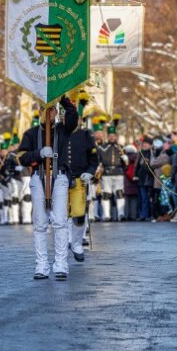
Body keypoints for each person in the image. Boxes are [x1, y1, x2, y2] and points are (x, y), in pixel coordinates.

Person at [18, 96, 78, 281]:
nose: (47, 113)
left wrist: (62, 99)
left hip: (58, 176)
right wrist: (38, 153)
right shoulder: (31, 133)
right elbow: (22, 157)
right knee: (40, 223)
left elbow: (73, 117)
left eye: (51, 110)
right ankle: (42, 264)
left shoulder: (63, 130)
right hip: (38, 176)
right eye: (44, 110)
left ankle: (61, 264)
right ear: (39, 112)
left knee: (59, 221)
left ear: (55, 112)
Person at [67, 95, 98, 262]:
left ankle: (77, 244)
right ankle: (66, 241)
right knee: (61, 214)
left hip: (80, 179)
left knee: (79, 214)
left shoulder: (86, 135)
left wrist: (90, 172)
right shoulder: (59, 133)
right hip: (61, 179)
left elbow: (94, 159)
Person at [98, 115, 128, 222]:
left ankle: (121, 214)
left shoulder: (121, 147)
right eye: (110, 135)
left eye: (113, 135)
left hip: (118, 172)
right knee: (106, 194)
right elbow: (99, 159)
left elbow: (126, 163)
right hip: (106, 173)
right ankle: (106, 215)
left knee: (119, 193)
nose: (112, 137)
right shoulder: (102, 147)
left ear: (116, 136)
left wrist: (125, 158)